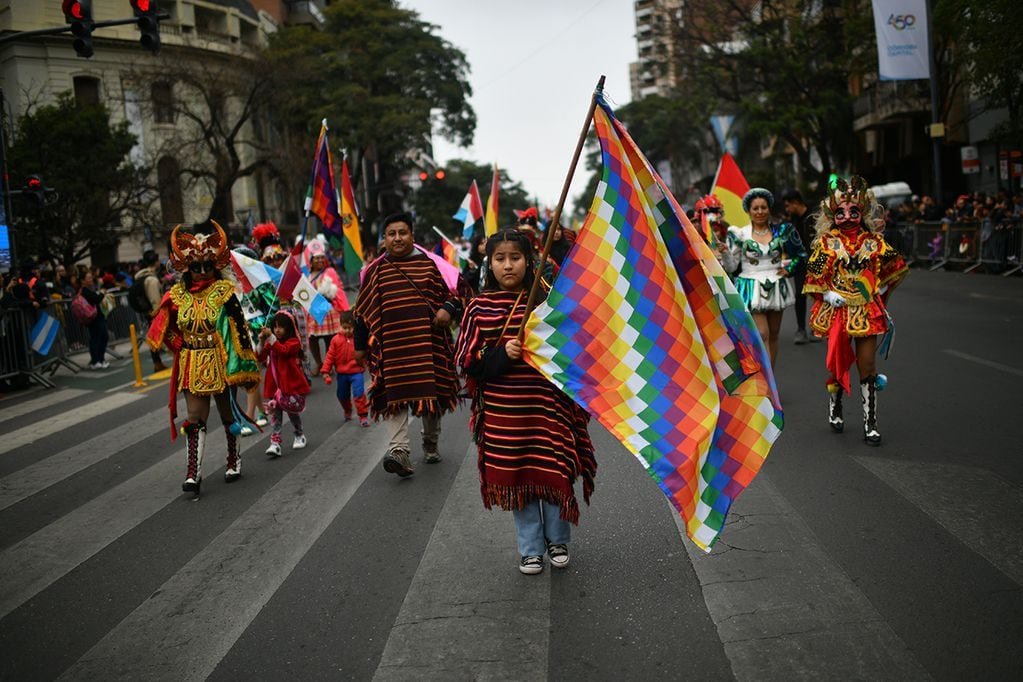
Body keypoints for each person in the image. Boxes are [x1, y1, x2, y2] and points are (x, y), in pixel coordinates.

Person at [454, 229, 597, 575]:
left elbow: (574, 350)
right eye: (500, 259)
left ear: (529, 261)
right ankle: (530, 549)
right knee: (519, 479)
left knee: (554, 471)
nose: (508, 265)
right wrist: (503, 354)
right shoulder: (477, 308)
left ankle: (558, 541)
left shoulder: (547, 304)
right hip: (505, 416)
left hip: (548, 408)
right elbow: (467, 361)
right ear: (489, 264)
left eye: (515, 258)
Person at [146, 221, 260, 494]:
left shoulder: (224, 293)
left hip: (220, 360)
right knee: (194, 418)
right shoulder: (177, 295)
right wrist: (176, 343)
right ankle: (193, 472)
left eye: (206, 266)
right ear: (186, 268)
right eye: (195, 266)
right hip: (192, 362)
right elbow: (161, 327)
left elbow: (239, 330)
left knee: (227, 414)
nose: (201, 271)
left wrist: (242, 365)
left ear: (215, 266)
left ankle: (233, 460)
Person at [353, 212, 464, 476]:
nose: (397, 238)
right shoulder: (375, 271)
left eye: (402, 232)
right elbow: (361, 312)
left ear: (412, 236)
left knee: (431, 400)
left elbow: (456, 295)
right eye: (391, 234)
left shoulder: (431, 265)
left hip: (429, 346)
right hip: (391, 350)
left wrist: (447, 310)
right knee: (394, 399)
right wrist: (359, 346)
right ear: (384, 239)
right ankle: (399, 451)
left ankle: (430, 442)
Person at [802, 175, 909, 445]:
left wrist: (881, 289)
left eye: (853, 211)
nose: (848, 217)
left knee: (868, 365)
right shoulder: (827, 243)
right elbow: (813, 276)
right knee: (839, 361)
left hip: (866, 310)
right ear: (832, 215)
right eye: (841, 212)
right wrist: (828, 294)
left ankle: (870, 423)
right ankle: (835, 405)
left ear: (862, 212)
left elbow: (895, 267)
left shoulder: (874, 242)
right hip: (838, 312)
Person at [721, 188, 806, 366]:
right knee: (762, 333)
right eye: (755, 208)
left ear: (769, 209)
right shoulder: (739, 234)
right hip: (751, 286)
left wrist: (789, 269)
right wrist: (725, 253)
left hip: (776, 286)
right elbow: (731, 267)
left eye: (763, 207)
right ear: (748, 211)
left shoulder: (783, 231)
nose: (760, 212)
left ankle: (770, 378)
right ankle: (766, 379)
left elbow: (801, 254)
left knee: (773, 335)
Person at [258, 310, 311, 457]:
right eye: (275, 327)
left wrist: (271, 338)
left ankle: (299, 434)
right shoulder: (271, 343)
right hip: (274, 385)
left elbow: (283, 351)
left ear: (288, 328)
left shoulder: (293, 342)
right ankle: (275, 442)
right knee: (276, 415)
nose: (277, 330)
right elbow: (260, 356)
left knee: (292, 412)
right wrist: (261, 341)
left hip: (289, 384)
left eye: (281, 327)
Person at [320, 310, 369, 427]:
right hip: (342, 373)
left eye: (350, 328)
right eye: (344, 327)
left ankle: (363, 415)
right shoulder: (335, 340)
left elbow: (366, 351)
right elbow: (330, 356)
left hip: (357, 372)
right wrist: (325, 371)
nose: (347, 330)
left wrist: (367, 363)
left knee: (359, 394)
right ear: (340, 325)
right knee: (342, 395)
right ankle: (347, 409)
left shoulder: (358, 339)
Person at [781, 189, 817, 345]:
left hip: (817, 263)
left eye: (788, 205)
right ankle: (801, 329)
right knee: (800, 295)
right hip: (800, 263)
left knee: (819, 295)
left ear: (796, 202)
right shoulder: (792, 221)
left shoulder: (814, 217)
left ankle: (818, 327)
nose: (787, 209)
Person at [304, 238, 345, 371]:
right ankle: (318, 363)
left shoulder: (330, 272)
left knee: (329, 338)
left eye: (322, 258)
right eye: (317, 258)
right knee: (312, 338)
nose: (320, 260)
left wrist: (329, 291)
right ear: (311, 261)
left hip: (328, 310)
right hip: (313, 312)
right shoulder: (307, 275)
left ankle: (328, 364)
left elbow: (338, 289)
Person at [134, 249, 168, 372]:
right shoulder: (151, 280)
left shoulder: (141, 276)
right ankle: (158, 363)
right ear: (155, 262)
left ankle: (157, 362)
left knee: (153, 336)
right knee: (159, 336)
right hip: (154, 313)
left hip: (147, 312)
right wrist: (159, 314)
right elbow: (155, 300)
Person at [77, 271, 110, 369]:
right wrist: (102, 293)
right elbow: (96, 299)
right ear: (82, 280)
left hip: (97, 317)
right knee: (97, 338)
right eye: (88, 278)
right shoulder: (84, 290)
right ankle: (96, 361)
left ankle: (100, 359)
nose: (91, 279)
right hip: (93, 318)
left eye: (91, 277)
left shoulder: (89, 289)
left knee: (102, 337)